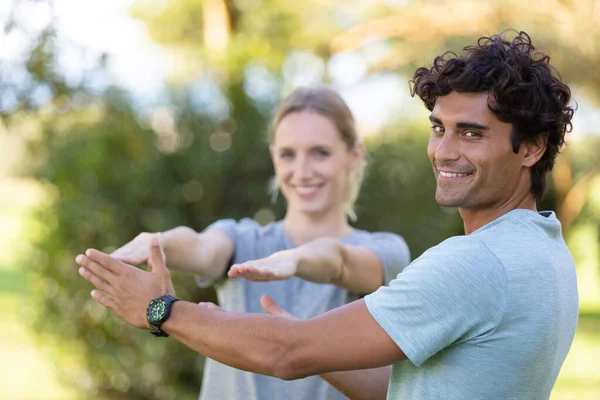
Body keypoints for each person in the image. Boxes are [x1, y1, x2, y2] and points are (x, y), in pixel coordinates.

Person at [77, 31, 579, 400]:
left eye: (471, 133)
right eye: (438, 128)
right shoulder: (543, 250)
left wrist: (163, 311)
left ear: (531, 147)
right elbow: (404, 388)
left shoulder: (475, 263)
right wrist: (318, 343)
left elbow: (286, 353)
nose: (443, 151)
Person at [103, 85, 411, 400]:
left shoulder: (387, 250)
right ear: (274, 158)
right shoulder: (242, 239)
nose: (302, 172)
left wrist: (297, 260)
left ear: (354, 155)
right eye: (288, 154)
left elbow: (340, 261)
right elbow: (201, 247)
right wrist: (160, 243)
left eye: (320, 152)